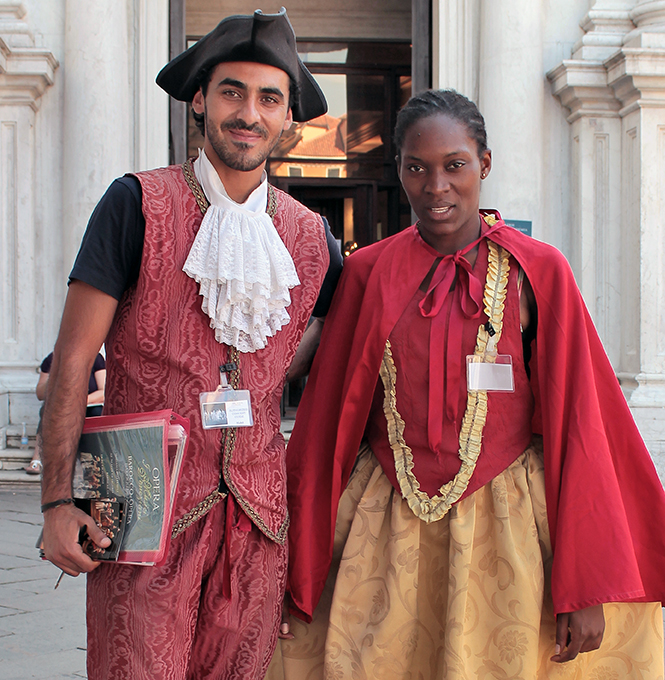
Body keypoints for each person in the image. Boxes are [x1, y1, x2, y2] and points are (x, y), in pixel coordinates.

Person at [275, 90, 665, 679]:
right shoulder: (367, 273)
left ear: (484, 164)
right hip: (384, 529)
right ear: (400, 172)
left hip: (508, 526)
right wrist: (293, 563)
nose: (436, 186)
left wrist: (586, 581)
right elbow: (327, 421)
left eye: (454, 165)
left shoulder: (539, 272)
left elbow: (582, 424)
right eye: (417, 168)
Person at [39, 9, 342, 680]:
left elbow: (332, 366)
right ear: (200, 99)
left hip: (259, 527)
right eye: (232, 91)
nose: (249, 113)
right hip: (136, 502)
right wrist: (59, 502)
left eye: (270, 98)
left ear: (288, 118)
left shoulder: (316, 241)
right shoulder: (134, 204)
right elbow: (70, 366)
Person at [24, 351, 105, 475]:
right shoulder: (53, 358)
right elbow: (40, 394)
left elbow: (103, 392)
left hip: (88, 405)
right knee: (47, 409)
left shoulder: (95, 358)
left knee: (97, 412)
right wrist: (54, 379)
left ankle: (96, 461)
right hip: (62, 407)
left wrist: (80, 402)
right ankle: (37, 460)